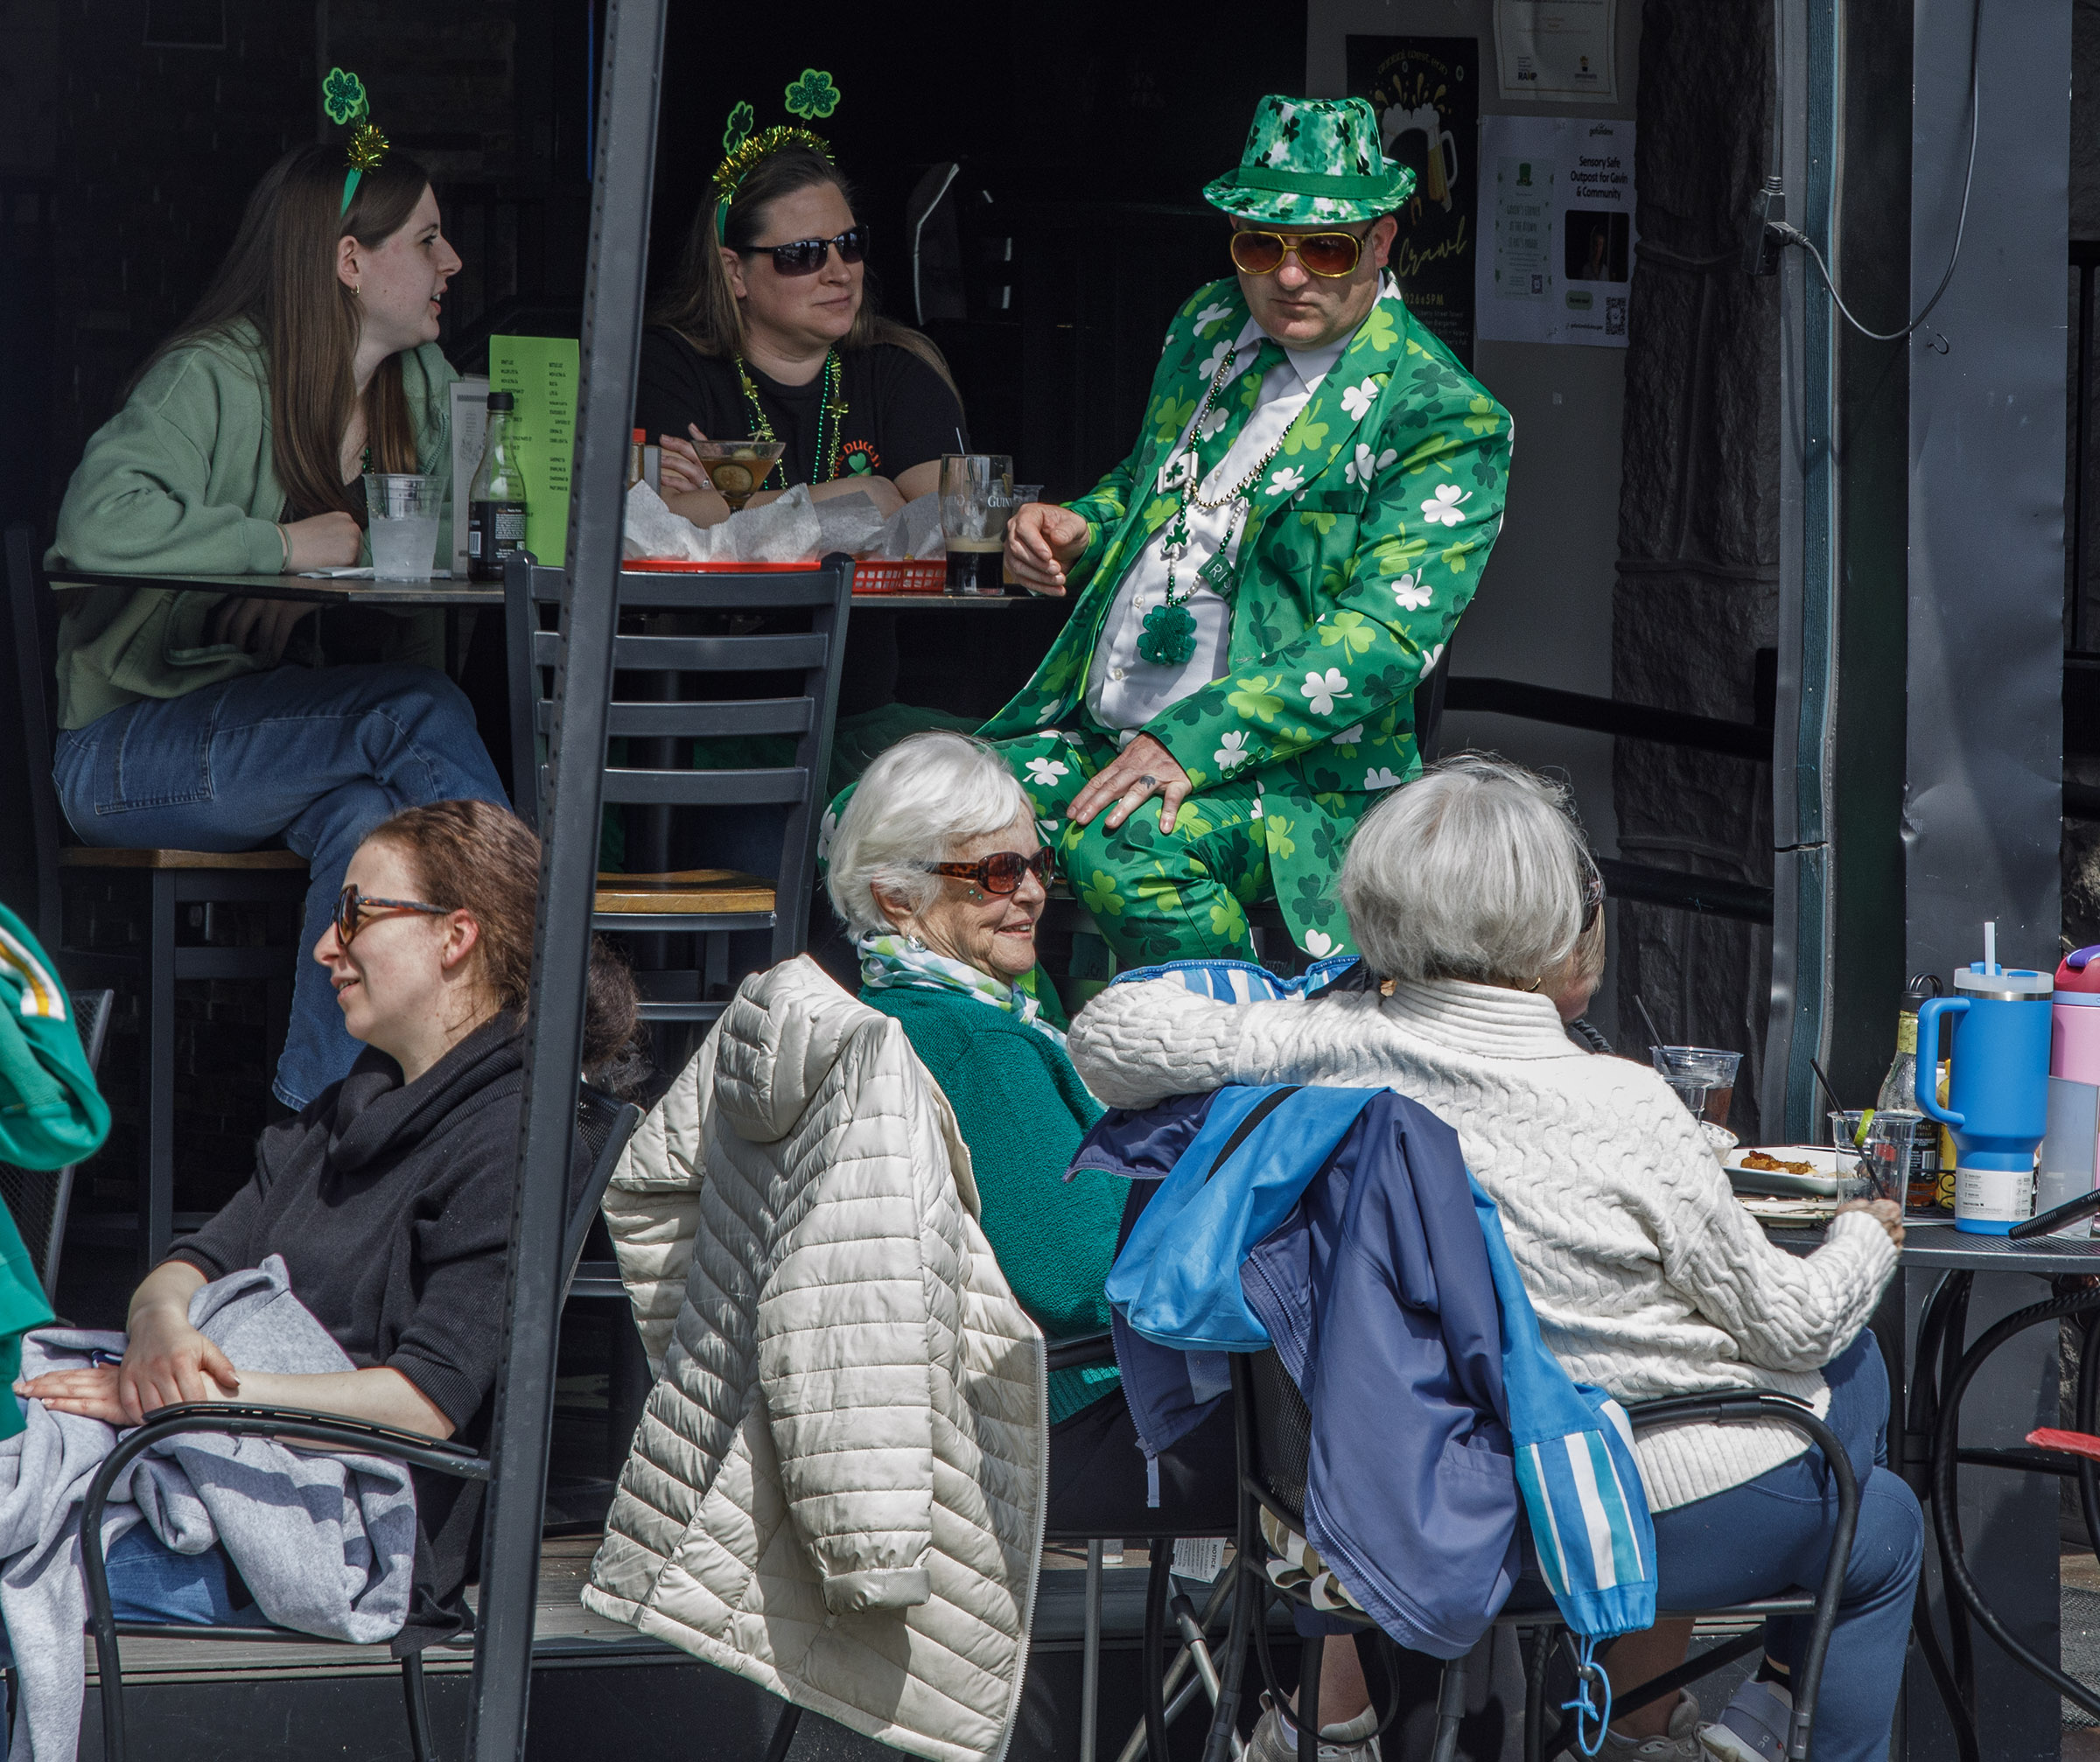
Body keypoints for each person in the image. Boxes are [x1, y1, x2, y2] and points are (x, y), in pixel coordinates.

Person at [1067, 756, 1921, 1762]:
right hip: (1570, 1504)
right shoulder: (1625, 1105)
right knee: (1873, 1458)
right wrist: (1868, 1234)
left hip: (1387, 1494)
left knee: (1827, 1396)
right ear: (1559, 922)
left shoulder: (1314, 1049)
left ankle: (1648, 1729)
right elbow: (1799, 1325)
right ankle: (1701, 1727)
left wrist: (1280, 1018)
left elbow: (1108, 1035)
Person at [18, 800, 639, 1643]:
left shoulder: (519, 1139)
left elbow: (426, 1403)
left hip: (342, 1532)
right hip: (214, 1470)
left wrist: (192, 1400)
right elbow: (199, 1257)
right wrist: (161, 1333)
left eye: (354, 913)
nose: (323, 946)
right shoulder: (352, 1105)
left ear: (455, 937)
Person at [46, 86, 508, 1111]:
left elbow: (454, 551)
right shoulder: (210, 378)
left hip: (293, 743)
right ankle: (531, 980)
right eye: (428, 240)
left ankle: (316, 1140)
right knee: (416, 714)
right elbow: (95, 522)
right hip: (129, 748)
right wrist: (277, 546)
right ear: (350, 261)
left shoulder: (420, 389)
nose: (453, 264)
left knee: (374, 825)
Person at [986, 94, 1511, 974]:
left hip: (1292, 784)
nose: (1290, 275)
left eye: (1326, 248)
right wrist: (1085, 524)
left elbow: (1384, 641)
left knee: (1125, 852)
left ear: (1382, 243)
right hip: (1107, 738)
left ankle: (1246, 1077)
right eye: (1261, 244)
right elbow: (1157, 483)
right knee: (894, 818)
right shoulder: (1208, 327)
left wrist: (1190, 739)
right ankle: (1038, 1078)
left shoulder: (1441, 412)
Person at [822, 732, 1240, 1533]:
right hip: (1071, 1424)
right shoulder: (972, 1042)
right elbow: (1078, 1278)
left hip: (1028, 1417)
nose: (1033, 895)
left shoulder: (900, 1010)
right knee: (1350, 1444)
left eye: (1037, 866)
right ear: (897, 897)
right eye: (995, 874)